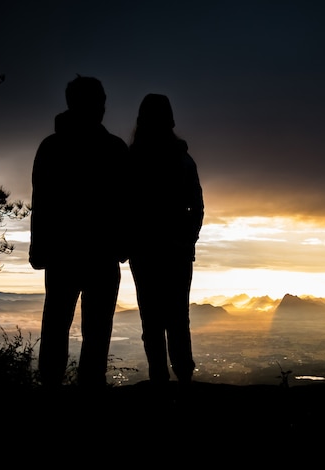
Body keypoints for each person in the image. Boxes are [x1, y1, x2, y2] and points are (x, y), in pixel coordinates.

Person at [29, 75, 130, 391]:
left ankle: (51, 387)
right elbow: (126, 203)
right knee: (95, 330)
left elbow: (41, 201)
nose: (101, 108)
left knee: (58, 325)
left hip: (63, 253)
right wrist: (122, 246)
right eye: (98, 101)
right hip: (100, 254)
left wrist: (39, 249)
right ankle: (89, 390)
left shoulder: (52, 146)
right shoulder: (114, 148)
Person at [127, 93, 204, 391]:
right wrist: (187, 241)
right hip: (175, 253)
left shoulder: (133, 159)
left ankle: (159, 378)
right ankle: (183, 377)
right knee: (177, 319)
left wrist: (130, 242)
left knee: (152, 320)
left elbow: (124, 205)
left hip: (145, 252)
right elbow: (196, 208)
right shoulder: (183, 159)